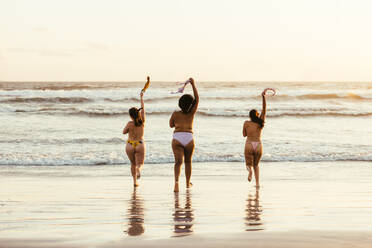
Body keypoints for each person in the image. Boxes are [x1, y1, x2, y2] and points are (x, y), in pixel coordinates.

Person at [169, 78, 199, 192]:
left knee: (178, 162)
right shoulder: (192, 112)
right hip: (189, 137)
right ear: (191, 105)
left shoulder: (175, 113)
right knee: (188, 161)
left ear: (180, 103)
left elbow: (171, 125)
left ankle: (176, 183)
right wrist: (193, 84)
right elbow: (197, 99)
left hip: (177, 138)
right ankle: (187, 183)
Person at [243, 90, 267, 187]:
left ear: (249, 116)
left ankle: (250, 172)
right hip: (258, 145)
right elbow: (264, 109)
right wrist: (263, 97)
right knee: (256, 165)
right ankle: (257, 184)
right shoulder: (260, 123)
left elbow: (244, 135)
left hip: (249, 144)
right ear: (257, 115)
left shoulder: (246, 123)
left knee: (249, 165)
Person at [123, 92, 145, 187]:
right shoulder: (142, 121)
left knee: (132, 164)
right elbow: (143, 109)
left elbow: (124, 132)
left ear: (130, 115)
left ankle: (135, 182)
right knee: (140, 163)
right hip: (139, 144)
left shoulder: (129, 123)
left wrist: (129, 129)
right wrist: (141, 98)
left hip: (130, 145)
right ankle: (139, 169)